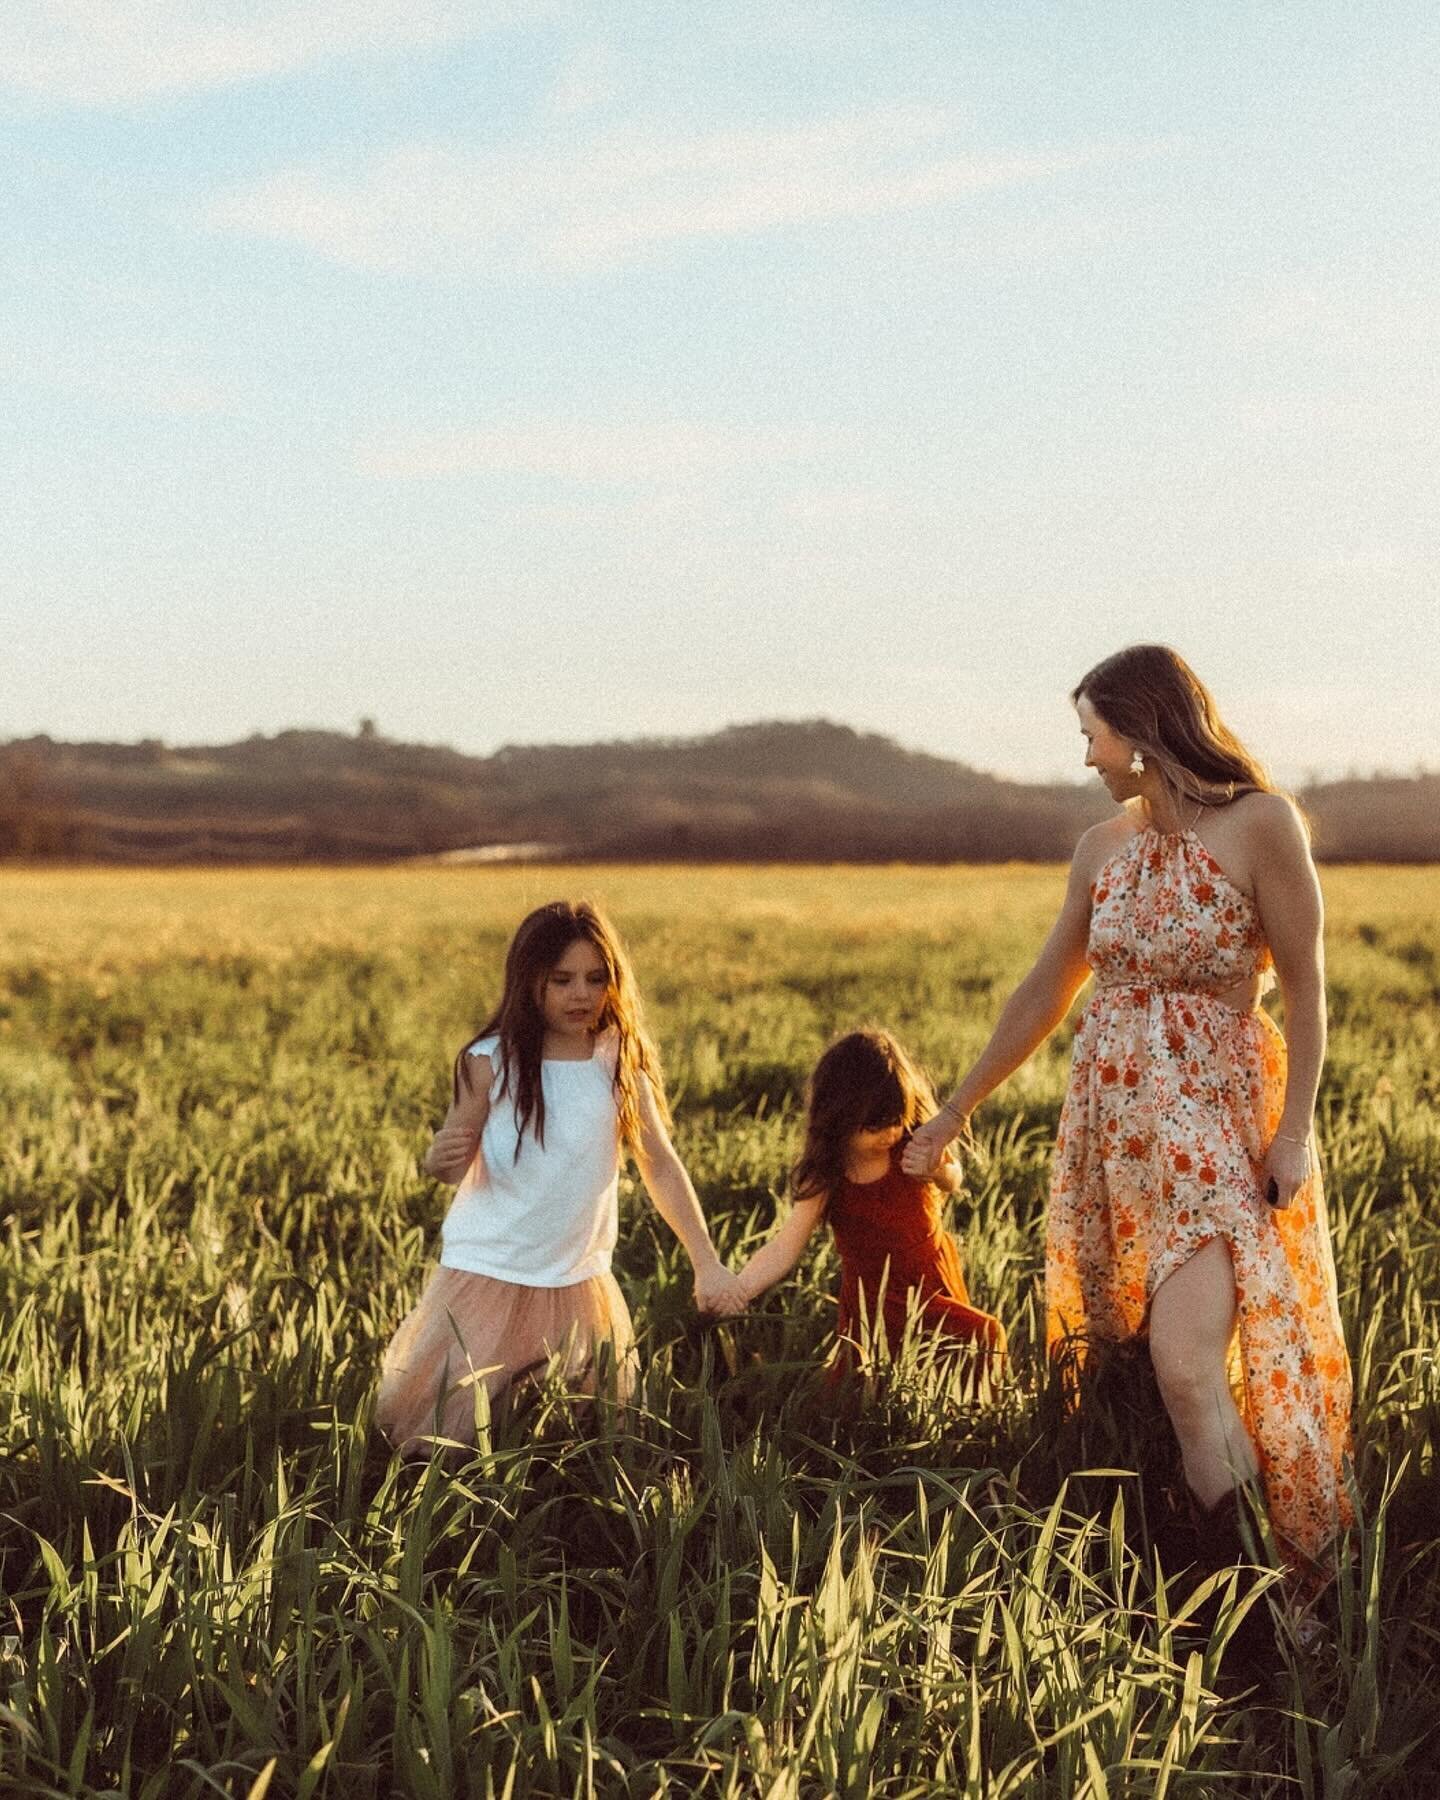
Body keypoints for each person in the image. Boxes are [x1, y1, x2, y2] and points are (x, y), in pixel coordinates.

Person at [903, 644, 1352, 1586]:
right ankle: (1208, 1578)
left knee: (1188, 1365)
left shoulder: (1262, 825)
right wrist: (952, 1112)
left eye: (1092, 735)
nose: (1087, 758)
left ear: (1145, 732)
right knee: (1147, 1367)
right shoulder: (1101, 848)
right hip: (1113, 1142)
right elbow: (1044, 991)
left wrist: (1296, 1133)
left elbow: (1307, 992)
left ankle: (1271, 1602)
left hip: (1213, 1132)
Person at [376, 899, 740, 1455]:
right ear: (529, 982)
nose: (581, 995)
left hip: (577, 1275)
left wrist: (706, 1259)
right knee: (455, 1430)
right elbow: (451, 1158)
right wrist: (438, 1160)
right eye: (562, 979)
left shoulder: (617, 1060)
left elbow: (659, 1164)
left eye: (597, 979)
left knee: (575, 1430)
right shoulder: (492, 1059)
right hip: (490, 1267)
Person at [719, 1030, 1006, 1383]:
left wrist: (939, 1171)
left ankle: (977, 1423)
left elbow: (954, 1180)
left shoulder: (913, 1143)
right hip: (876, 1299)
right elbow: (784, 1247)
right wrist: (740, 1289)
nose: (889, 1134)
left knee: (967, 1352)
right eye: (874, 1127)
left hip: (932, 1279)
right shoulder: (828, 1174)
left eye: (897, 1121)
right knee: (873, 1385)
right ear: (840, 1119)